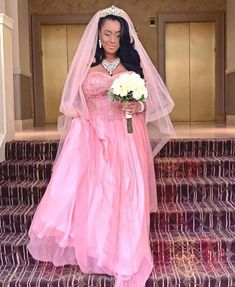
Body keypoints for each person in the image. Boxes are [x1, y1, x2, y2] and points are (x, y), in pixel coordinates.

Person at [27, 5, 175, 287]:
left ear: (124, 38)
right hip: (92, 139)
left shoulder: (131, 69)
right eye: (107, 33)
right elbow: (72, 104)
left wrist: (137, 104)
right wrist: (80, 120)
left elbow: (147, 103)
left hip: (125, 138)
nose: (111, 40)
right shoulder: (87, 68)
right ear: (98, 35)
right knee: (94, 196)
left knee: (124, 194)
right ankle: (97, 249)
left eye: (117, 35)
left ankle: (123, 252)